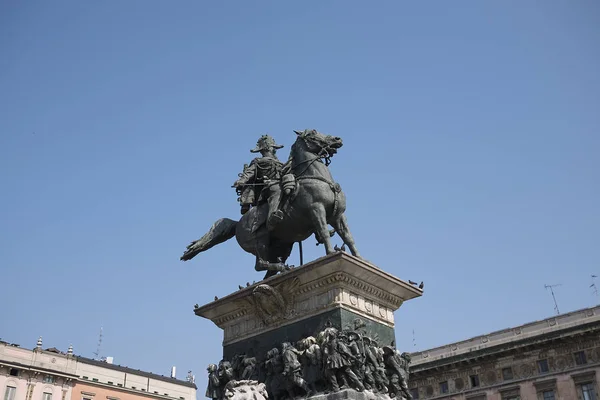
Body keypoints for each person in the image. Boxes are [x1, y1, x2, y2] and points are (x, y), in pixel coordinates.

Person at [233, 135, 286, 231]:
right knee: (276, 189)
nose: (274, 149)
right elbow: (249, 173)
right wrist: (241, 181)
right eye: (273, 147)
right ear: (267, 148)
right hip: (266, 190)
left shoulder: (281, 164)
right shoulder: (258, 161)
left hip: (280, 186)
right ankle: (272, 216)